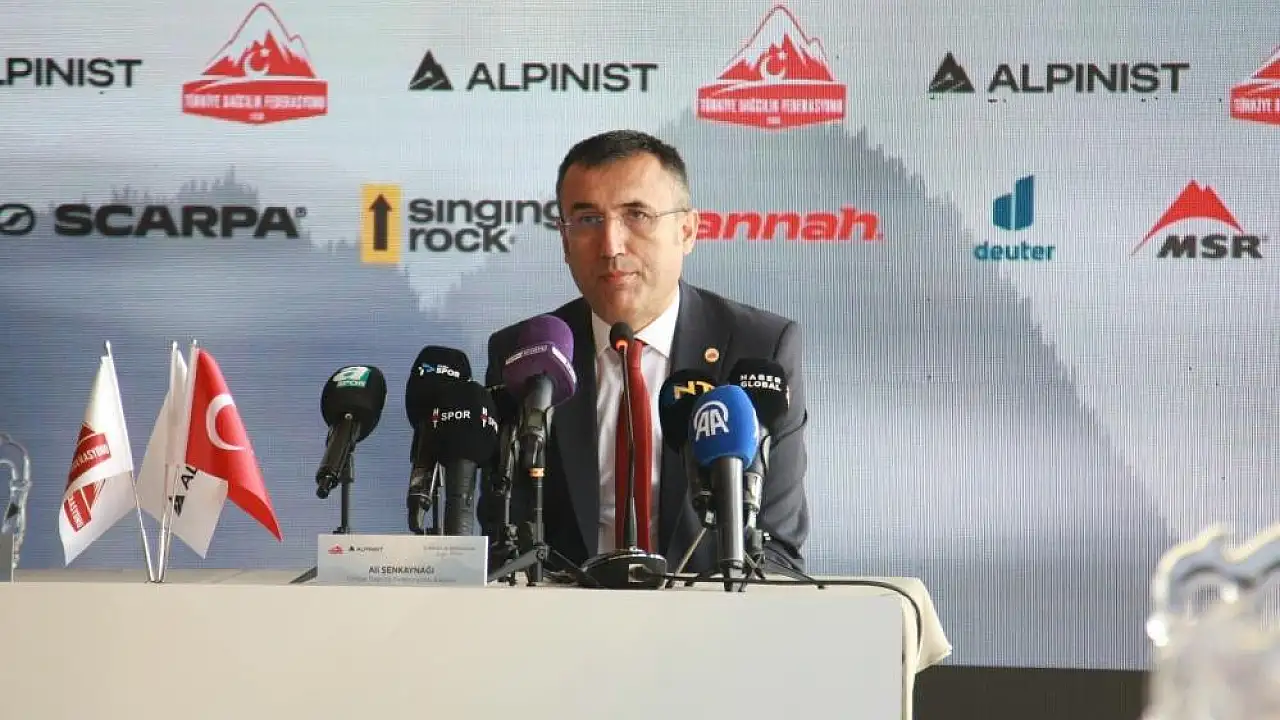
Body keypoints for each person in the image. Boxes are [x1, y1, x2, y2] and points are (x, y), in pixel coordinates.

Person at [483, 129, 809, 575]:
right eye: (588, 220)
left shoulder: (759, 348)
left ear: (687, 230)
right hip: (562, 612)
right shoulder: (526, 354)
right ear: (564, 241)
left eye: (637, 215)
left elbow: (777, 547)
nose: (611, 246)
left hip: (709, 612)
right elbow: (503, 539)